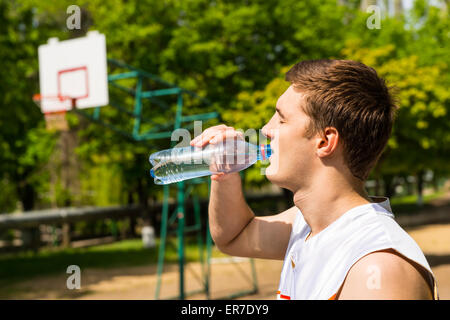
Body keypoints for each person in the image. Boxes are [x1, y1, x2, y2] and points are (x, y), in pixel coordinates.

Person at [190, 59, 438, 300]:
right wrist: (225, 173)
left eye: (281, 118)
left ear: (324, 142)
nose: (266, 129)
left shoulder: (378, 269)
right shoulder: (307, 224)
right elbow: (233, 236)